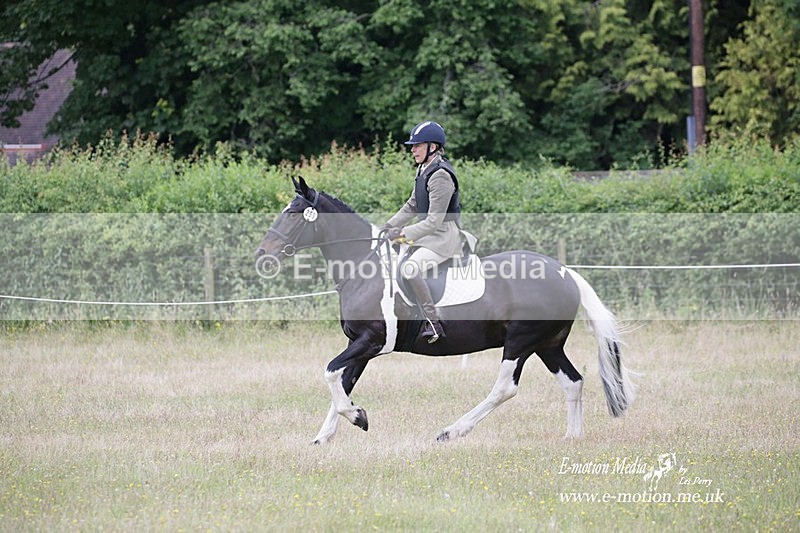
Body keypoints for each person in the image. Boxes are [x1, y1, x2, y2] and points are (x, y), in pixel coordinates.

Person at [381, 120, 463, 343]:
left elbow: (434, 221)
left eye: (417, 145)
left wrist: (402, 233)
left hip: (443, 238)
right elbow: (412, 205)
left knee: (409, 269)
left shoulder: (441, 176)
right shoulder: (423, 169)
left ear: (433, 147)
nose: (412, 149)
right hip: (426, 236)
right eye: (413, 145)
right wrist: (388, 226)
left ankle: (433, 322)